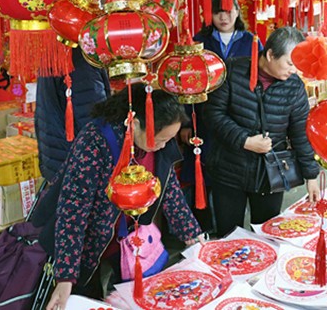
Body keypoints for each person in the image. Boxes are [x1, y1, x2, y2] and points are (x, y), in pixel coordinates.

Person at [30, 83, 203, 309]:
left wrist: (191, 233)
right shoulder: (96, 141)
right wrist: (65, 277)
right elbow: (73, 210)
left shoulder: (160, 142)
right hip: (87, 243)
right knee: (89, 299)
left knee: (139, 299)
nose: (163, 146)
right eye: (160, 140)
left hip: (129, 239)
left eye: (168, 140)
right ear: (135, 124)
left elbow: (168, 187)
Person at [204, 26, 321, 237]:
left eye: (297, 65)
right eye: (290, 63)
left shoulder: (294, 86)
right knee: (229, 237)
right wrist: (244, 140)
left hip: (271, 174)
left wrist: (311, 175)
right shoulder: (232, 71)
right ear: (270, 54)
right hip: (229, 170)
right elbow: (213, 115)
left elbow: (300, 133)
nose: (294, 70)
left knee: (267, 235)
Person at [178, 0, 262, 232]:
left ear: (237, 11)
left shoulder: (251, 42)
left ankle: (235, 225)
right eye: (217, 12)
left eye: (228, 11)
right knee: (204, 168)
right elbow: (185, 83)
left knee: (234, 169)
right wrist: (186, 122)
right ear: (209, 14)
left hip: (240, 117)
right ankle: (204, 228)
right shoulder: (198, 42)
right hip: (203, 115)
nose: (223, 17)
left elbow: (262, 81)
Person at [35, 47, 111, 181]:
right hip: (75, 164)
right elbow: (92, 119)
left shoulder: (54, 52)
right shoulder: (81, 61)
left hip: (55, 155)